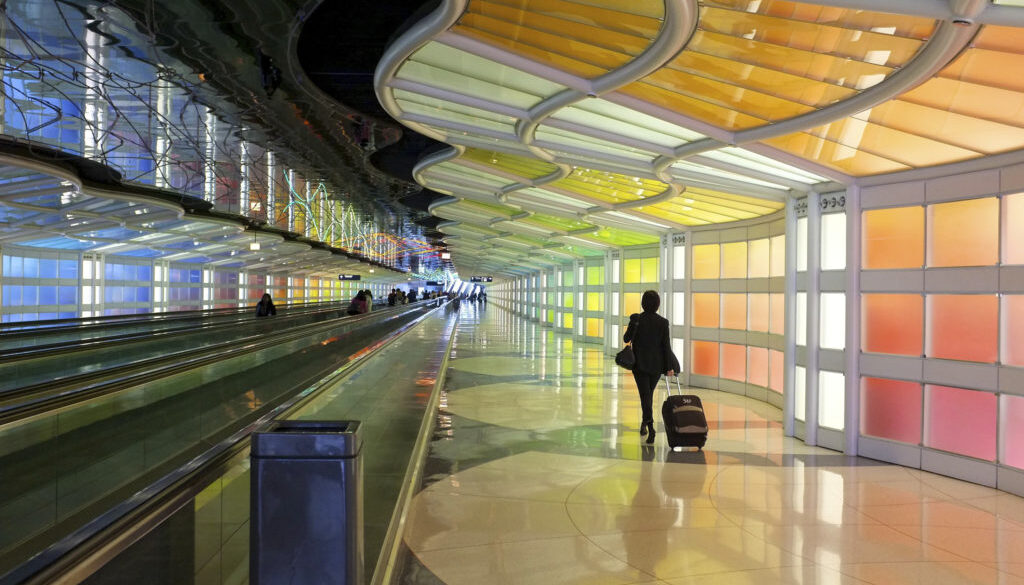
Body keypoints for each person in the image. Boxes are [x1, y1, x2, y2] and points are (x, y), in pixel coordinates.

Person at [623, 290, 679, 444]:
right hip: (656, 366)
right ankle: (645, 423)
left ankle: (650, 426)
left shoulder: (637, 319)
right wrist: (669, 366)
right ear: (657, 305)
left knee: (645, 395)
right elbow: (666, 346)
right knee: (647, 394)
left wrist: (632, 326)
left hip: (639, 365)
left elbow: (625, 339)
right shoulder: (663, 322)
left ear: (643, 303)